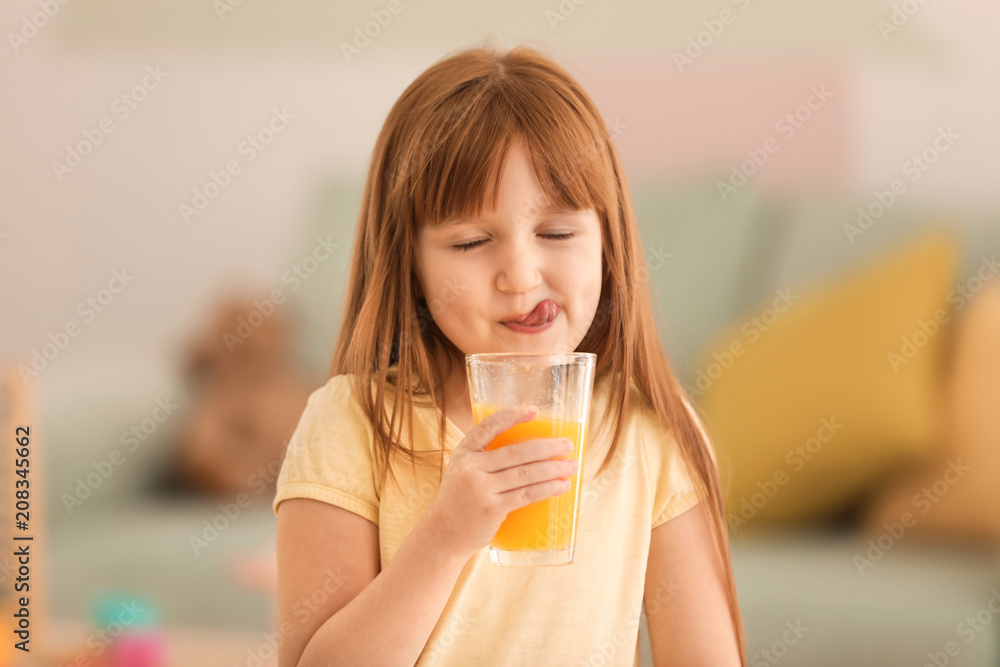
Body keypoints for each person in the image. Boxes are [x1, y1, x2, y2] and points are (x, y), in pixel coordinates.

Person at [273, 42, 746, 667]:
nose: (521, 276)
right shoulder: (350, 426)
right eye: (470, 242)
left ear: (609, 243)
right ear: (409, 265)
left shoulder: (653, 435)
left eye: (557, 233)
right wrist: (444, 539)